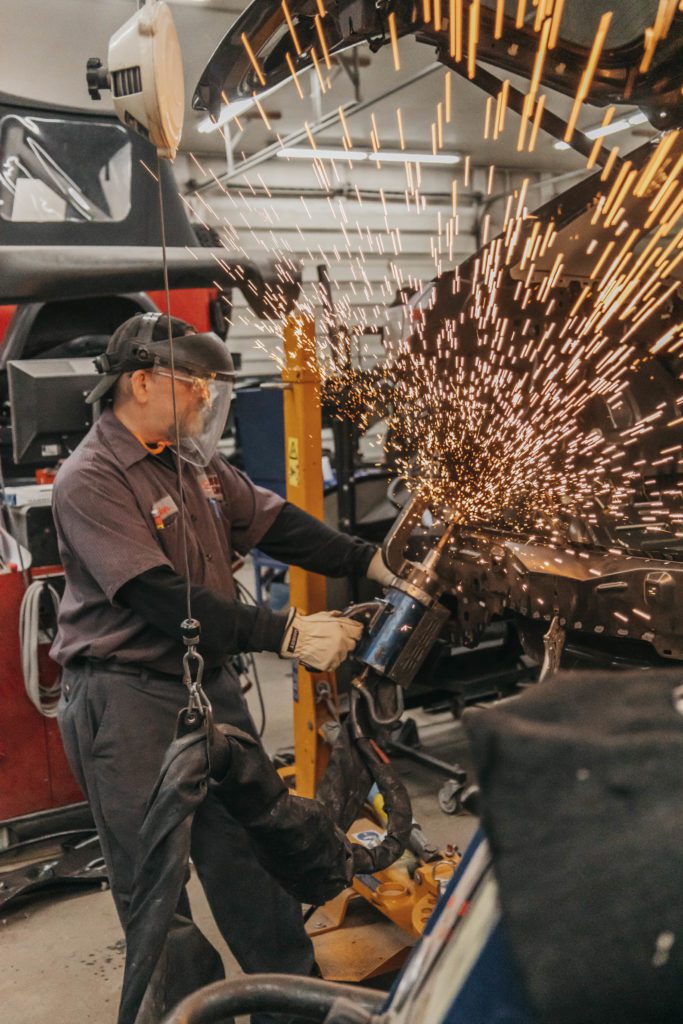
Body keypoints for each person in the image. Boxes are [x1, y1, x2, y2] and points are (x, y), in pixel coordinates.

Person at [51, 312, 395, 1024]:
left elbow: (276, 522)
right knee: (156, 889)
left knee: (254, 852)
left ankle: (292, 1007)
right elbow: (159, 599)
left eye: (213, 387)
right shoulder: (91, 477)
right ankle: (191, 1011)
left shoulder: (192, 462)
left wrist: (365, 559)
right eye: (195, 385)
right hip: (126, 700)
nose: (206, 400)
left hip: (207, 689)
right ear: (141, 381)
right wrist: (287, 633)